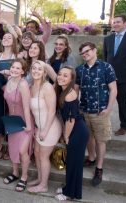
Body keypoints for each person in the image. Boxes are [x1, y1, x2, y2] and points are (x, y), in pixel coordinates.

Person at [75, 42, 117, 187]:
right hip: (84, 111)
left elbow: (113, 89)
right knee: (88, 137)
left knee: (101, 140)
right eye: (82, 53)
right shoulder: (80, 69)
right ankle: (91, 158)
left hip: (100, 112)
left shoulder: (106, 67)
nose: (85, 54)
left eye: (87, 51)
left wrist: (109, 108)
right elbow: (75, 90)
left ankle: (99, 168)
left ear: (94, 51)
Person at [54, 66, 89, 201]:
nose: (61, 77)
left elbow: (70, 120)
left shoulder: (69, 94)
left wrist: (66, 136)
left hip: (77, 132)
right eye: (60, 74)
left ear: (71, 79)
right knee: (71, 162)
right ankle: (68, 188)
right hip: (75, 130)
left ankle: (70, 193)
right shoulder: (63, 90)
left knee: (74, 164)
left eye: (65, 76)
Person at [27, 60, 61, 193]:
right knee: (36, 153)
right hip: (39, 126)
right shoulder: (31, 86)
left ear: (44, 72)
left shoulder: (47, 87)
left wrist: (45, 130)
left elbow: (52, 111)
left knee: (43, 156)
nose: (36, 71)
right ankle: (40, 179)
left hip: (50, 126)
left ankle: (44, 185)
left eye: (39, 69)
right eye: (33, 68)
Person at [3, 58, 33, 192]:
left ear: (23, 71)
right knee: (13, 149)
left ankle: (24, 177)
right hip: (12, 121)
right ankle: (15, 173)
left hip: (24, 122)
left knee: (22, 151)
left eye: (18, 68)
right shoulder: (9, 81)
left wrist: (28, 126)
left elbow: (26, 107)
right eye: (13, 67)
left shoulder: (23, 84)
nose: (14, 70)